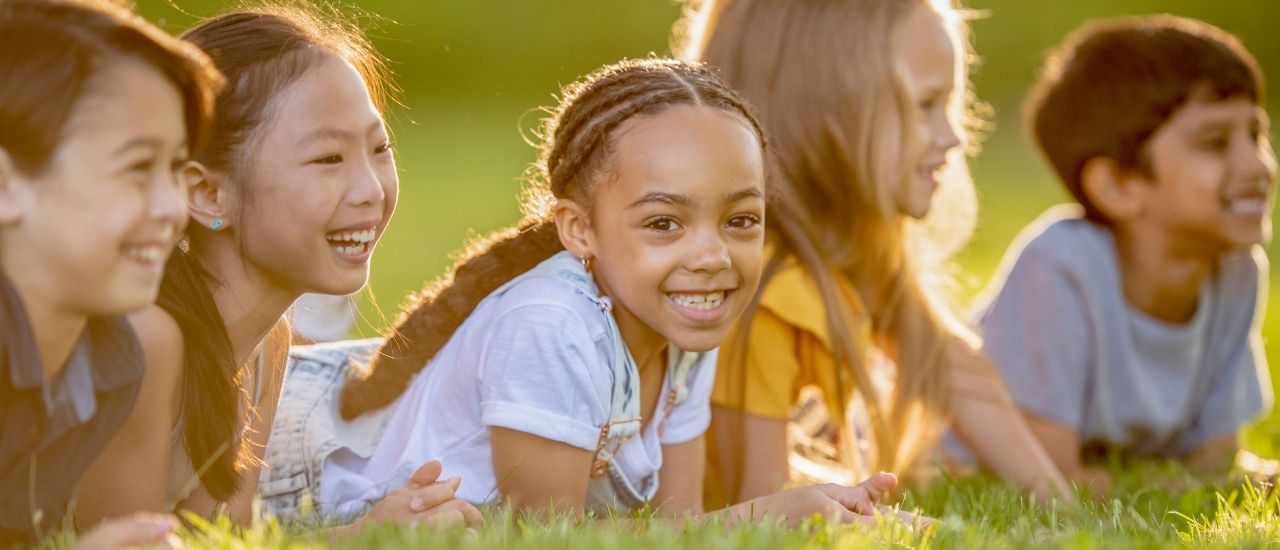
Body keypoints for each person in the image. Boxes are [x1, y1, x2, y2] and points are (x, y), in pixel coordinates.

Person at [267, 58, 907, 528]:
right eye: (664, 223)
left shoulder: (685, 320)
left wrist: (830, 517)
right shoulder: (552, 323)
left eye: (741, 220)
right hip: (286, 460)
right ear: (580, 229)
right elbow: (549, 538)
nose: (713, 256)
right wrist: (773, 515)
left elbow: (676, 526)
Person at [76, 4, 482, 534]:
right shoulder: (145, 337)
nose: (371, 190)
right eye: (328, 159)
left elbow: (217, 539)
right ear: (207, 192)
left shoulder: (266, 342)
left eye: (379, 148)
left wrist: (380, 529)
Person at [676, 0, 1072, 507]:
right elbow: (762, 515)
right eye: (925, 105)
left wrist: (1059, 504)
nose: (952, 136)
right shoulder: (761, 291)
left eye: (948, 105)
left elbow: (946, 365)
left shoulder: (853, 252)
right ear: (826, 112)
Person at [971, 14, 1274, 488]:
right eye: (1215, 142)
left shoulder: (1237, 270)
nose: (1257, 165)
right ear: (1116, 186)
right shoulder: (1060, 267)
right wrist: (1181, 485)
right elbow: (1051, 478)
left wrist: (1222, 481)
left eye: (1256, 135)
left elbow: (1215, 463)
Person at [0, 0, 220, 545]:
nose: (172, 207)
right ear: (6, 186)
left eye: (174, 167)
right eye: (136, 168)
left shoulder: (106, 362)